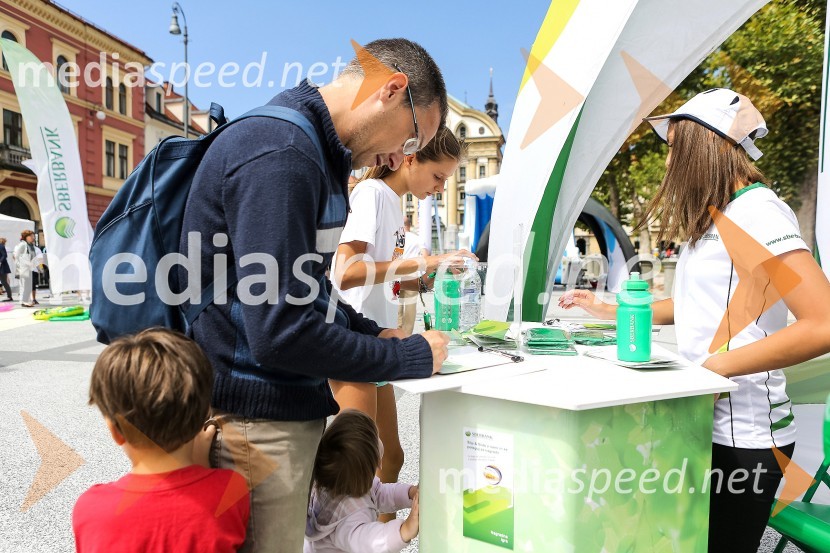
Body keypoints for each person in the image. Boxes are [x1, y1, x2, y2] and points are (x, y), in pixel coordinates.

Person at [179, 38, 451, 553]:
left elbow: (310, 293)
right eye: (414, 142)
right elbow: (280, 331)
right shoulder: (282, 154)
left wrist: (372, 332)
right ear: (392, 91)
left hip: (271, 416)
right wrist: (404, 355)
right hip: (253, 425)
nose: (398, 157)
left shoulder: (311, 153)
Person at [559, 89, 830, 553]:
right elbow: (703, 308)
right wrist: (615, 310)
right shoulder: (717, 218)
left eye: (672, 150)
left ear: (706, 145)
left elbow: (822, 322)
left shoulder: (756, 212)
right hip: (704, 419)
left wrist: (714, 370)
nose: (667, 165)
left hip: (744, 434)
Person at [331, 126, 471, 496]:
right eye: (438, 176)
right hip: (355, 344)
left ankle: (380, 536)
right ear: (410, 158)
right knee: (359, 467)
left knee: (390, 456)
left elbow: (386, 278)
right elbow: (345, 274)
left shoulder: (392, 202)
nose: (441, 188)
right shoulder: (371, 194)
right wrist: (424, 263)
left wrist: (430, 273)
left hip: (378, 340)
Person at [72, 328, 250, 552]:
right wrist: (202, 465)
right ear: (203, 416)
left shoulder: (91, 509)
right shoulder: (231, 490)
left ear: (115, 431)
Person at [304, 409, 419, 553]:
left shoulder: (335, 484)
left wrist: (410, 493)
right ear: (376, 462)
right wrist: (405, 530)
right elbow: (370, 541)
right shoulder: (350, 517)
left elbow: (380, 493)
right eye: (377, 435)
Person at [398, 219, 430, 335]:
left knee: (397, 304)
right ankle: (407, 334)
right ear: (409, 225)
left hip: (396, 273)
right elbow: (425, 255)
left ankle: (397, 331)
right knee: (410, 305)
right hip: (412, 273)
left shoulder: (397, 238)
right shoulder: (417, 239)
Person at [13, 230, 36, 307]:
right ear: (26, 237)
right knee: (26, 285)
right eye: (31, 236)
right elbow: (16, 256)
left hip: (29, 267)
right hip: (23, 268)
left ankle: (25, 301)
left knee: (28, 285)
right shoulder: (23, 245)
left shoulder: (31, 245)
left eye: (33, 236)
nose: (33, 237)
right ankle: (24, 301)